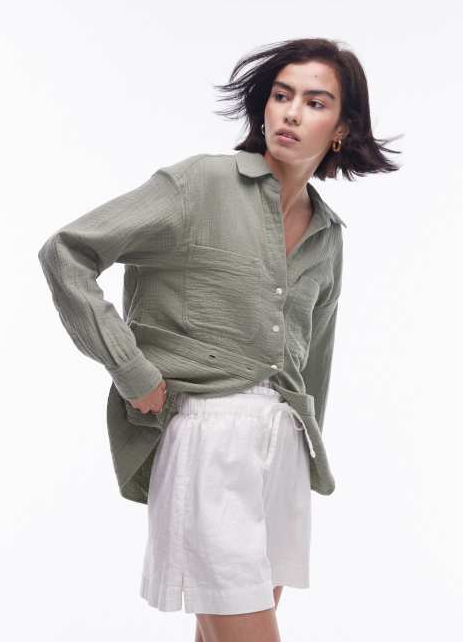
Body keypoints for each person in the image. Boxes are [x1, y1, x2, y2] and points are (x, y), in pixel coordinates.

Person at [38, 37, 401, 642]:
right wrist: (132, 370)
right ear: (264, 106)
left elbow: (315, 358)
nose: (291, 113)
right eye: (281, 95)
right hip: (208, 439)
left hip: (283, 447)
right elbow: (66, 254)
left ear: (342, 128)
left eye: (315, 102)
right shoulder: (201, 184)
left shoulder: (327, 235)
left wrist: (309, 447)